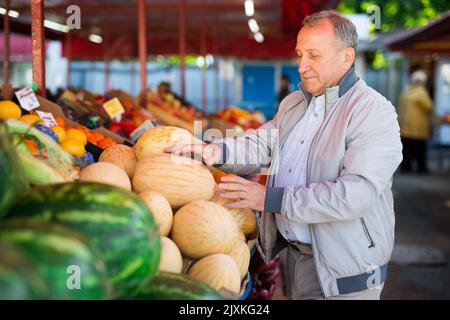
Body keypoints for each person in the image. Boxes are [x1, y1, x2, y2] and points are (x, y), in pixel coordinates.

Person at [167, 11, 402, 300]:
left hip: (347, 272)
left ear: (347, 57)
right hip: (296, 257)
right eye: (300, 54)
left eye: (314, 55)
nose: (302, 66)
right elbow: (263, 143)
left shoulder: (372, 112)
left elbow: (356, 194)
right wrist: (216, 150)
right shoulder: (294, 102)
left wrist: (269, 199)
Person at [398, 70, 433, 173]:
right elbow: (429, 106)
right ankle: (416, 167)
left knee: (411, 149)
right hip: (414, 126)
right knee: (416, 149)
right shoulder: (419, 91)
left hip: (410, 126)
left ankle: (409, 167)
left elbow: (428, 107)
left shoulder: (408, 91)